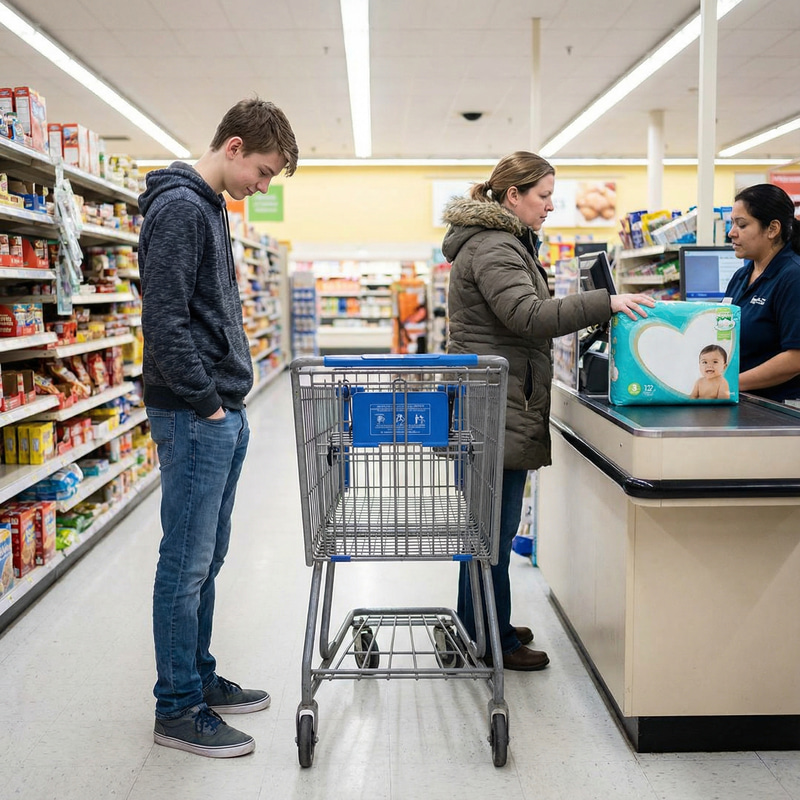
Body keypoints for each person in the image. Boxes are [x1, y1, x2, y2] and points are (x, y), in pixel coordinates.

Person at [441, 151, 654, 671]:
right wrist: (605, 302)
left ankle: (480, 625)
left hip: (497, 400)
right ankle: (489, 640)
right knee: (491, 529)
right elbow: (527, 315)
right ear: (512, 196)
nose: (551, 206)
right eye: (543, 196)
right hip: (492, 406)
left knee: (488, 529)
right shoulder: (495, 246)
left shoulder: (501, 243)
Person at [138, 98, 298, 757]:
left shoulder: (210, 207)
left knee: (209, 559)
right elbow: (167, 323)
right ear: (233, 147)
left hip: (221, 412)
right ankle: (177, 707)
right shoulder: (180, 207)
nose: (263, 188)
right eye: (262, 172)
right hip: (194, 415)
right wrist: (207, 403)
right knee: (186, 562)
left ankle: (198, 677)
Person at [725, 183, 800, 403]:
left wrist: (731, 383)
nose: (732, 232)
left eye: (742, 225)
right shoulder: (741, 276)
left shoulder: (793, 276)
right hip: (746, 401)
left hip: (781, 411)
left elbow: (795, 358)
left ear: (772, 229)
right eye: (732, 223)